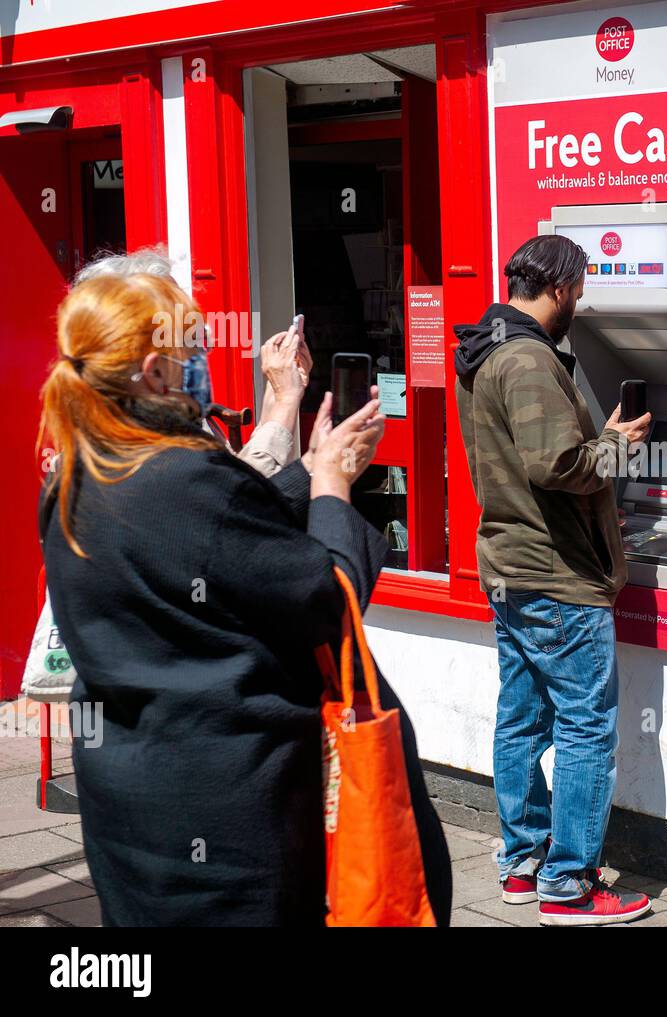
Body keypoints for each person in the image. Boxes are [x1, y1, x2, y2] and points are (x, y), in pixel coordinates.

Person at [38, 271, 452, 926]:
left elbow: (212, 539)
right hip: (230, 816)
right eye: (187, 350)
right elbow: (329, 597)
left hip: (129, 803)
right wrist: (334, 485)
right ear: (153, 370)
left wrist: (309, 468)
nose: (195, 365)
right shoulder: (183, 476)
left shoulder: (75, 475)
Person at [453, 234, 654, 926]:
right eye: (580, 291)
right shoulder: (529, 357)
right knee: (585, 728)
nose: (580, 305)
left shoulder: (484, 349)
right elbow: (556, 464)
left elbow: (523, 461)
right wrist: (617, 445)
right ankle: (568, 886)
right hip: (557, 574)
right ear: (561, 287)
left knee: (521, 719)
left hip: (511, 565)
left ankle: (523, 863)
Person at [75, 248, 309, 478]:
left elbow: (236, 477)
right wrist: (285, 402)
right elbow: (240, 494)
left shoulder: (153, 407)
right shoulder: (147, 430)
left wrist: (276, 396)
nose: (206, 344)